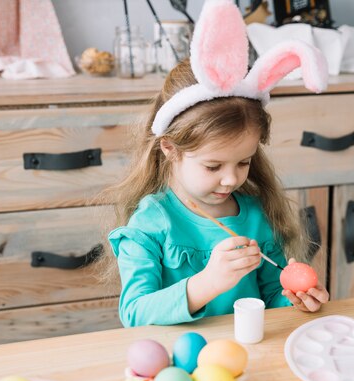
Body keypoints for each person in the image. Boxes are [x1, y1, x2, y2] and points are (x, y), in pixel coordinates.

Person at [100, 0, 330, 327]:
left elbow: (270, 294)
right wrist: (207, 283)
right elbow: (135, 314)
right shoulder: (151, 223)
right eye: (213, 166)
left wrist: (296, 300)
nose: (230, 180)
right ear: (170, 149)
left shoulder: (254, 216)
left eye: (244, 162)